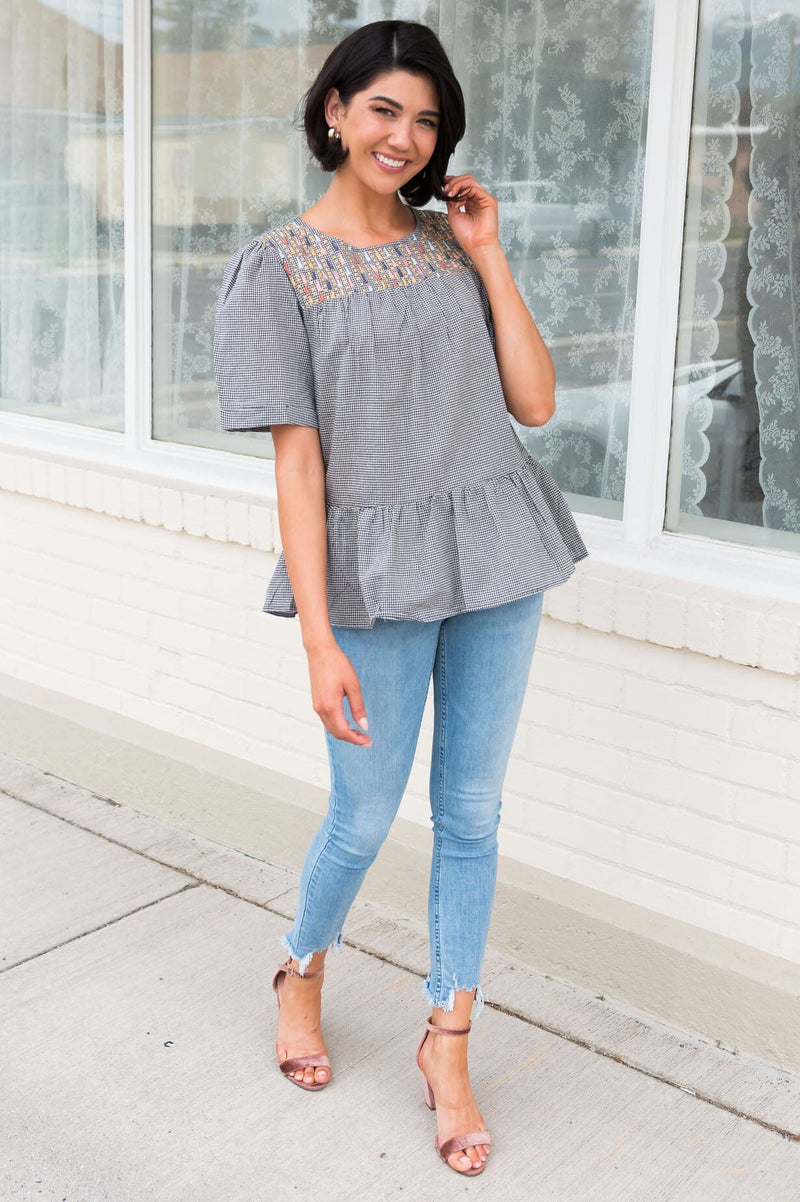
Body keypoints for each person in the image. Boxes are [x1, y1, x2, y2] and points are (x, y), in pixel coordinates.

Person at [214, 18, 587, 1178]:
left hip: (495, 555)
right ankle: (301, 965)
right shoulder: (276, 268)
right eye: (383, 109)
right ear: (334, 111)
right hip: (374, 577)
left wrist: (489, 254)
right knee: (364, 815)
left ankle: (447, 1040)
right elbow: (299, 467)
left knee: (469, 813)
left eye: (425, 120)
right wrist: (315, 638)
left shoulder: (448, 246)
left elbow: (534, 403)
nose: (404, 136)